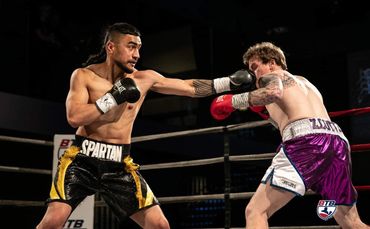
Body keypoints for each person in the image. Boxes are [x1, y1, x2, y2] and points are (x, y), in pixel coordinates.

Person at [36, 22, 256, 229]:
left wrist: (228, 82)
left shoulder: (144, 78)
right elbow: (74, 117)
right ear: (111, 47)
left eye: (139, 48)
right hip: (82, 159)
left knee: (159, 225)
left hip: (119, 164)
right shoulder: (84, 75)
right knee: (53, 221)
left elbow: (187, 87)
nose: (137, 55)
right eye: (131, 47)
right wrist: (112, 98)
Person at [210, 41, 370, 229]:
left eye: (255, 68)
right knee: (350, 220)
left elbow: (274, 92)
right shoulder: (305, 83)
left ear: (271, 62)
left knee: (255, 211)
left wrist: (232, 101)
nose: (254, 76)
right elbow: (288, 113)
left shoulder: (270, 77)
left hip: (306, 143)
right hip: (337, 141)